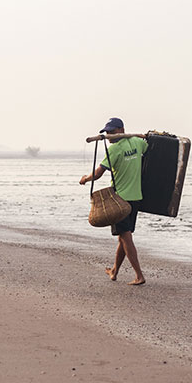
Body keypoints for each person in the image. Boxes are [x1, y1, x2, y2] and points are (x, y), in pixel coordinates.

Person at [79, 117, 148, 286]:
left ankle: (139, 275)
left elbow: (98, 174)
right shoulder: (138, 143)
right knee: (123, 237)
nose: (108, 135)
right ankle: (114, 270)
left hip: (120, 200)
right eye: (107, 132)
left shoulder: (115, 150)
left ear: (121, 130)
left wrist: (85, 179)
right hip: (136, 197)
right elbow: (148, 145)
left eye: (111, 132)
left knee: (125, 236)